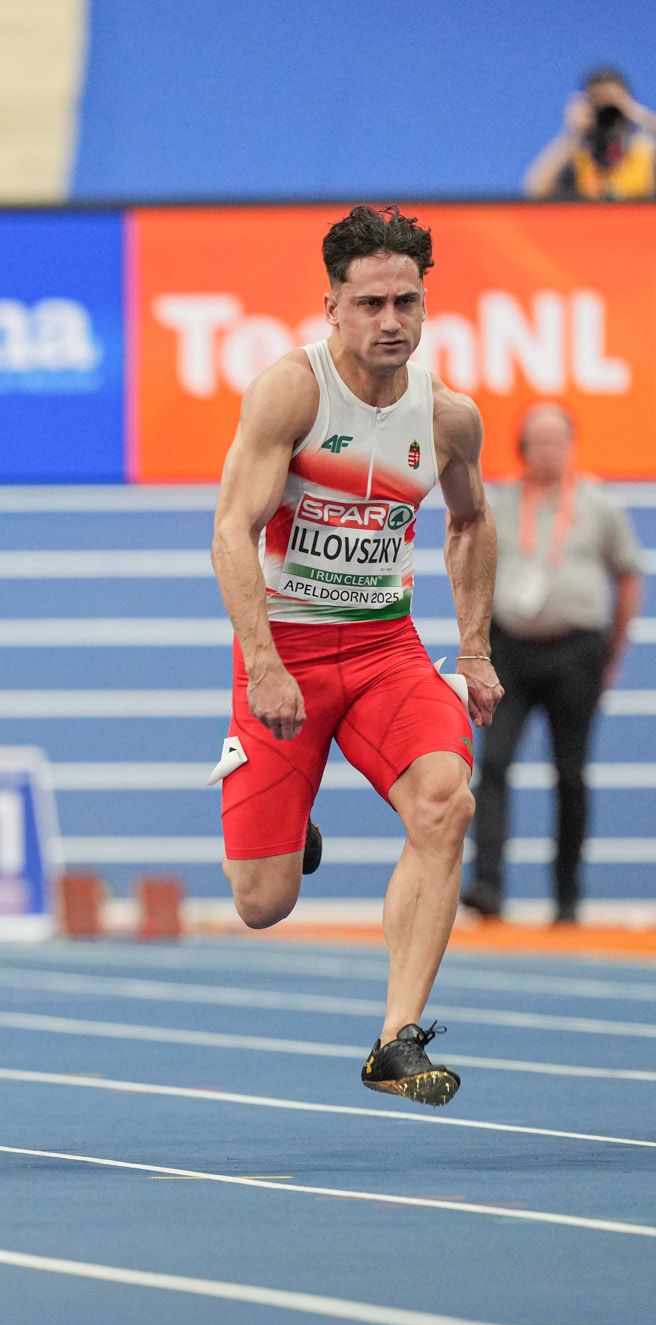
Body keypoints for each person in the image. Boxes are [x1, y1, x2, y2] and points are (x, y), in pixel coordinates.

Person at [209, 205, 502, 1107]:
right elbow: (232, 529)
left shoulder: (448, 417)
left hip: (384, 649)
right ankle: (291, 830)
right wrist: (263, 663)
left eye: (405, 301)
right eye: (369, 302)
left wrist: (476, 650)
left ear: (424, 304)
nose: (390, 321)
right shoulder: (290, 394)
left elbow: (471, 520)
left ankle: (395, 1038)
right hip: (288, 650)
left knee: (447, 800)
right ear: (330, 304)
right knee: (263, 900)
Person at [463, 404, 643, 925]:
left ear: (572, 445)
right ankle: (487, 887)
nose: (547, 452)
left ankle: (567, 897)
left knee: (569, 774)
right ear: (522, 448)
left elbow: (627, 574)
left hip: (577, 652)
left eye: (557, 441)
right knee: (492, 764)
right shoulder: (500, 501)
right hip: (510, 653)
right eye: (538, 442)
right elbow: (473, 569)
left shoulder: (599, 504)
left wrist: (615, 651)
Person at [523, 66, 656, 201]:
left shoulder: (646, 149)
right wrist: (572, 133)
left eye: (613, 101)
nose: (607, 110)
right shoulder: (579, 155)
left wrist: (641, 116)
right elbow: (535, 189)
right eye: (598, 101)